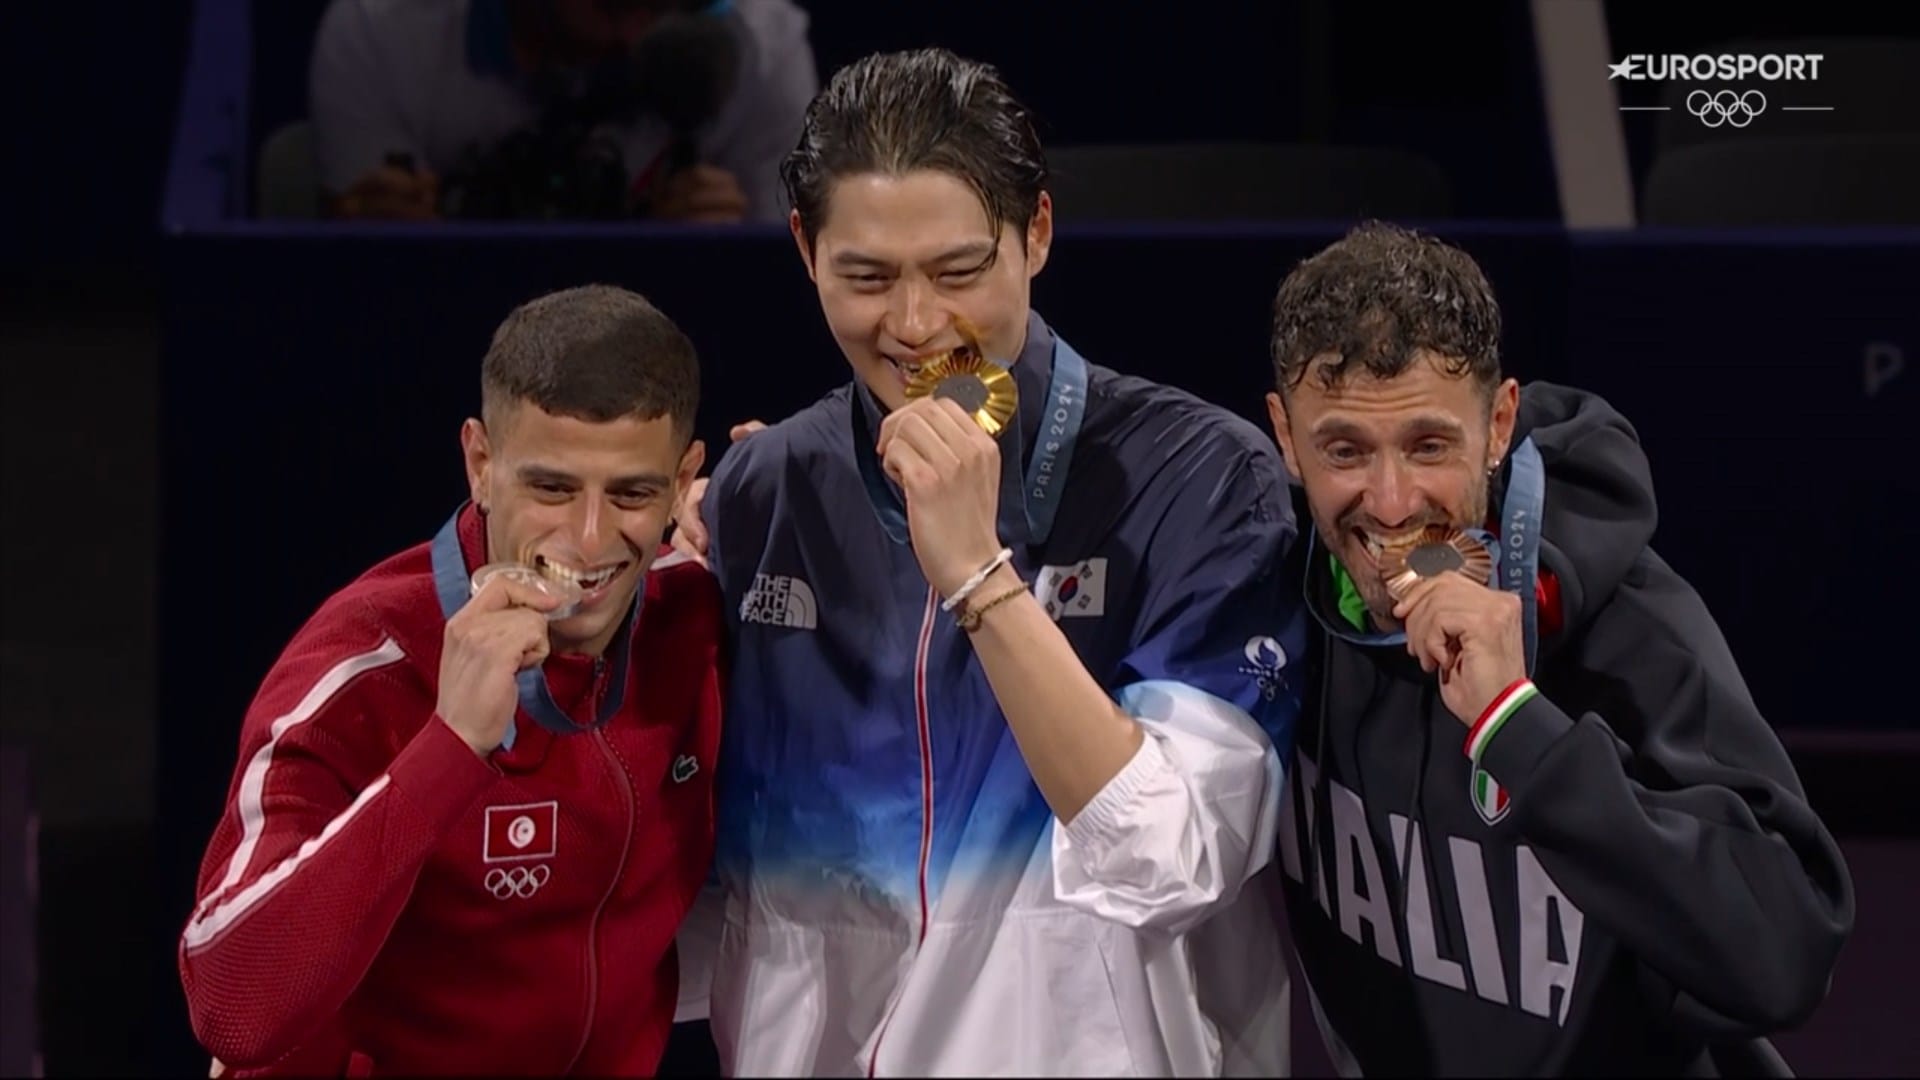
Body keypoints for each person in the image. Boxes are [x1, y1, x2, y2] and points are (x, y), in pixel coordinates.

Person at [668, 46, 1307, 1077]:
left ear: (1037, 234)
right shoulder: (761, 494)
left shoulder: (1200, 484)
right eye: (866, 277)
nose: (916, 326)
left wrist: (980, 581)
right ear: (803, 250)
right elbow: (708, 902)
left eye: (958, 271)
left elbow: (1170, 862)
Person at [1261, 221, 1854, 1075]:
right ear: (1286, 438)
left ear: (1500, 422)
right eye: (1344, 450)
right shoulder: (1271, 599)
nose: (1390, 504)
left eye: (1430, 445)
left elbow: (1789, 955)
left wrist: (1519, 728)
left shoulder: (1625, 624)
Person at [178, 285, 722, 1077]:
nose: (591, 536)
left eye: (633, 493)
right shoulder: (366, 666)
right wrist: (449, 746)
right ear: (481, 463)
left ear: (682, 480)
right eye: (551, 488)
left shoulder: (696, 616)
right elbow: (230, 1005)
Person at [308, 0, 818, 222]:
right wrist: (373, 227)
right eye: (613, 7)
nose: (631, 33)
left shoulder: (760, 47)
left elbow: (779, 284)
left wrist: (718, 248)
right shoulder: (379, 34)